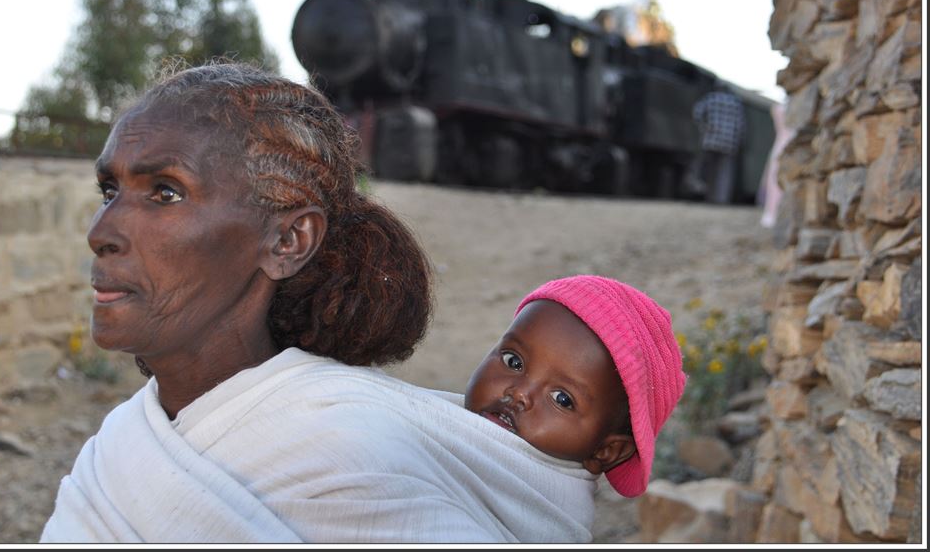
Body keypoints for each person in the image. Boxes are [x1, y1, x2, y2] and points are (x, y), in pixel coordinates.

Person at [40, 61, 598, 543]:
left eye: (165, 191)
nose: (101, 230)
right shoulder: (122, 445)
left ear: (288, 241)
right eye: (110, 191)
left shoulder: (354, 461)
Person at [465, 274, 686, 502]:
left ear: (606, 451)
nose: (520, 393)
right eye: (513, 361)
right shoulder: (434, 422)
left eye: (562, 399)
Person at [691, 85, 746, 204]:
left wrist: (704, 127)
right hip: (729, 143)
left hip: (711, 139)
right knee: (724, 174)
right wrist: (738, 140)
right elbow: (741, 125)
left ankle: (709, 197)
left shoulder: (711, 98)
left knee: (710, 171)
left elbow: (697, 112)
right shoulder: (736, 103)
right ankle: (720, 199)